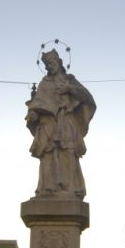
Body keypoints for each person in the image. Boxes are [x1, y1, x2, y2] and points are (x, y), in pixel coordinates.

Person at [25, 49, 96, 199]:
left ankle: (69, 188)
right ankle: (47, 189)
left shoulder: (69, 80)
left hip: (66, 121)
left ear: (59, 62)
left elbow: (87, 97)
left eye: (52, 63)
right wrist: (33, 115)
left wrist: (69, 89)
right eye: (47, 65)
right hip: (48, 123)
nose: (50, 67)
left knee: (68, 153)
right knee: (47, 154)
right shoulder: (44, 83)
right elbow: (37, 103)